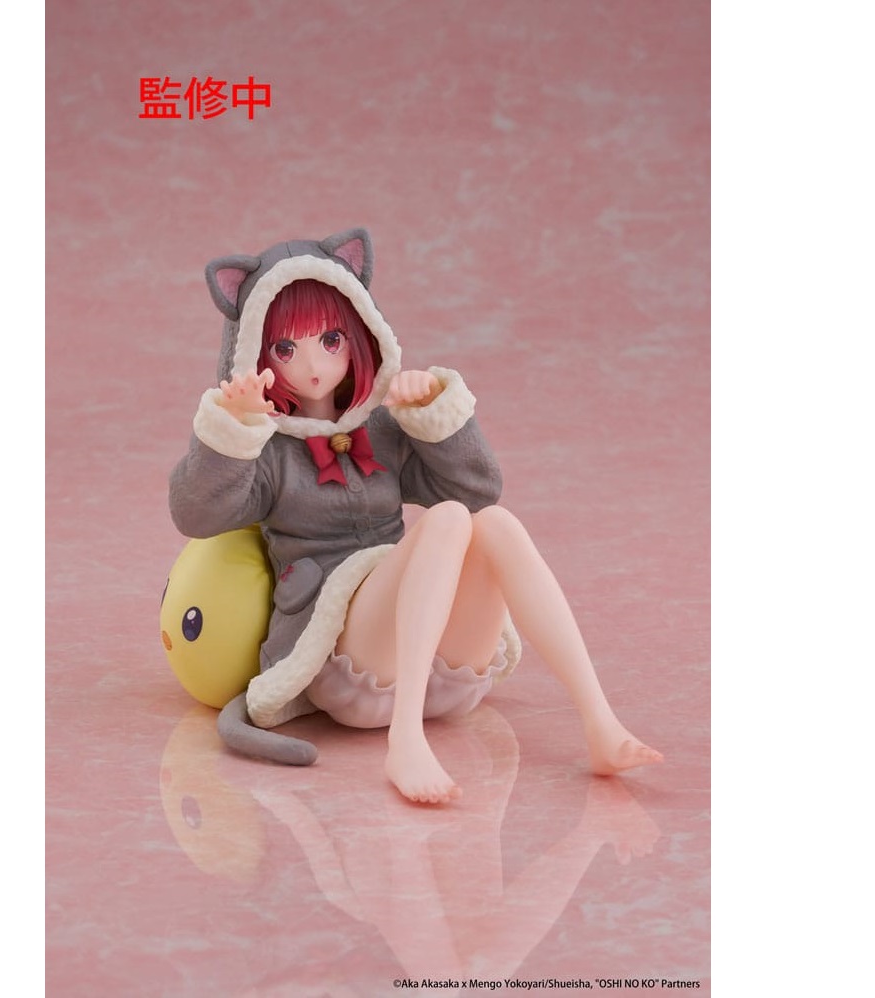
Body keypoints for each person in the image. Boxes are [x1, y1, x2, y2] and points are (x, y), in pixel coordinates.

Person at [169, 229, 661, 804]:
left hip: (434, 666)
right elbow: (198, 513)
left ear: (362, 332)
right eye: (285, 349)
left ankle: (599, 721)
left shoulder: (382, 427)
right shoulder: (269, 450)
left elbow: (479, 489)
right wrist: (234, 426)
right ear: (253, 351)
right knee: (447, 520)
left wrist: (430, 413)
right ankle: (404, 741)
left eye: (331, 339)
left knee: (494, 523)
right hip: (343, 656)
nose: (314, 365)